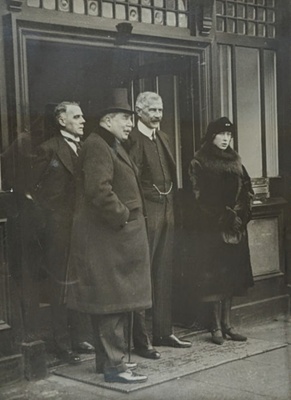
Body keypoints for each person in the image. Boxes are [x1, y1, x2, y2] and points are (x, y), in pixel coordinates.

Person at [66, 88, 152, 384]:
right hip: (110, 238)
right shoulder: (98, 146)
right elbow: (99, 191)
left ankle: (110, 362)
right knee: (111, 302)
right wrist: (124, 217)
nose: (130, 123)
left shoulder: (109, 144)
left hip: (116, 238)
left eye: (130, 118)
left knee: (114, 301)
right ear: (106, 120)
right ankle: (114, 367)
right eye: (124, 118)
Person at [128, 91, 191, 359]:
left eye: (160, 110)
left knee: (164, 272)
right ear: (139, 111)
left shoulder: (163, 137)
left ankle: (163, 332)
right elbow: (129, 181)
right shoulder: (132, 139)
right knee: (142, 276)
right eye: (152, 110)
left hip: (167, 212)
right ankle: (141, 342)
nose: (157, 115)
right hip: (146, 215)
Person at [31, 102, 94, 364]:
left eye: (82, 115)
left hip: (83, 229)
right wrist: (48, 226)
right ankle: (62, 344)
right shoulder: (48, 149)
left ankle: (80, 337)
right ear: (61, 120)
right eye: (76, 116)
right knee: (60, 286)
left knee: (80, 283)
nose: (82, 121)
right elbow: (33, 193)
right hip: (58, 230)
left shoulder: (86, 148)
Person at [188, 117, 254, 345]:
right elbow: (198, 198)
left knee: (231, 277)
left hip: (235, 231)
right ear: (211, 136)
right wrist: (224, 217)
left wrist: (241, 216)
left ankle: (228, 325)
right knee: (214, 278)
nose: (225, 139)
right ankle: (215, 326)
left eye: (229, 135)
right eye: (221, 134)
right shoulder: (200, 162)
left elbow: (247, 190)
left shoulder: (236, 161)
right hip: (212, 231)